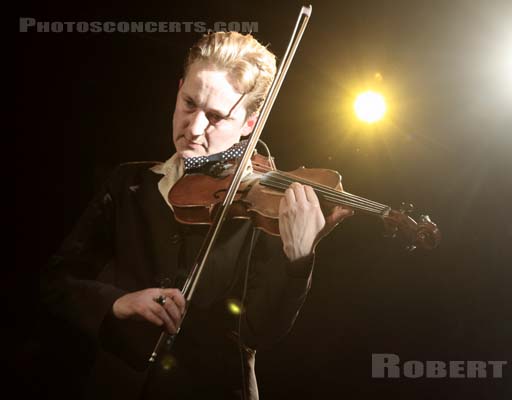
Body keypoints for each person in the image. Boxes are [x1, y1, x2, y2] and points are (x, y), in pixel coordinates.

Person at [40, 31, 351, 400]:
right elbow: (57, 281)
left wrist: (297, 261)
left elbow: (257, 332)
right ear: (179, 89)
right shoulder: (127, 183)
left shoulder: (264, 206)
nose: (194, 128)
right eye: (189, 103)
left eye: (216, 117)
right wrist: (117, 303)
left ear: (250, 124)